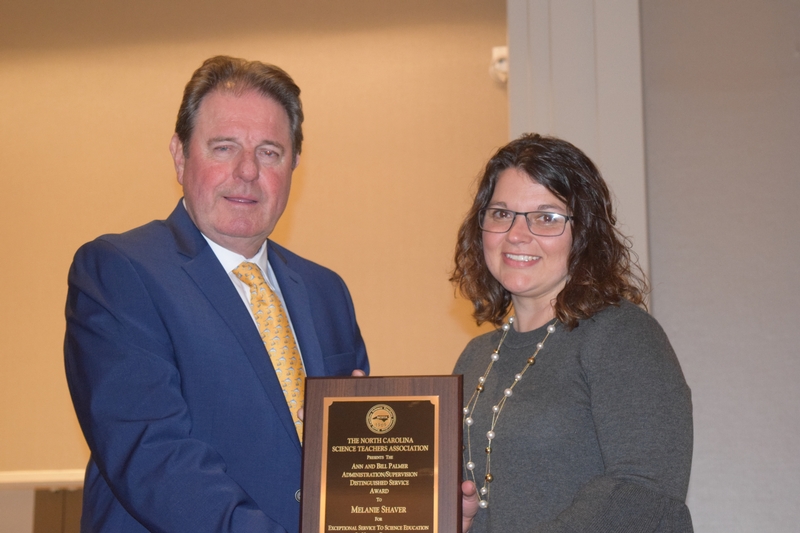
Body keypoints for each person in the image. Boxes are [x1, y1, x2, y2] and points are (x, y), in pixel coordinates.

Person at [64, 56, 369, 533]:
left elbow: (359, 463)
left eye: (269, 152)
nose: (247, 171)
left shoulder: (326, 292)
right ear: (180, 155)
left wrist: (421, 502)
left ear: (294, 165)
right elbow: (154, 457)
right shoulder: (120, 272)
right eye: (224, 148)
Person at [452, 134, 693, 532]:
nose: (516, 234)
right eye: (501, 213)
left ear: (584, 234)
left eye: (546, 217)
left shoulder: (623, 336)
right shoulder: (475, 357)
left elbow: (643, 491)